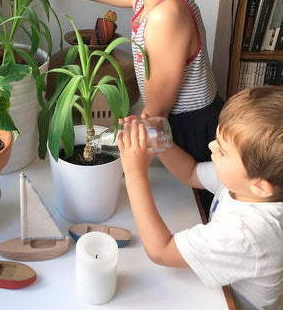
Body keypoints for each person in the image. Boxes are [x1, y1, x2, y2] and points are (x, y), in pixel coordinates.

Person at [0, 0, 222, 210]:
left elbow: (155, 116)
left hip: (188, 134)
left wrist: (123, 161)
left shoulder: (167, 17)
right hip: (174, 125)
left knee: (193, 209)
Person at [117, 85, 283, 310]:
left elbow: (161, 251)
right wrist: (156, 137)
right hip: (219, 289)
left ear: (261, 187)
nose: (211, 146)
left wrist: (135, 175)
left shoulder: (248, 232)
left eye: (222, 151)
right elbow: (191, 172)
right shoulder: (245, 183)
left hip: (228, 303)